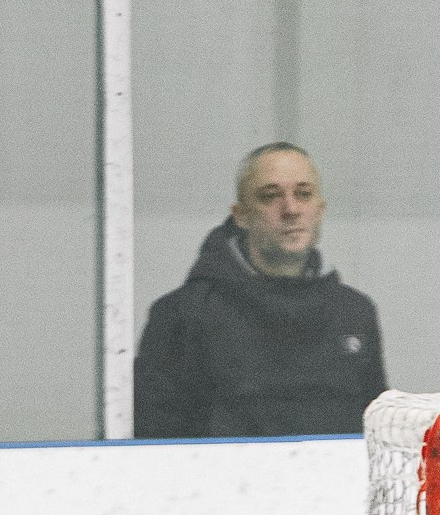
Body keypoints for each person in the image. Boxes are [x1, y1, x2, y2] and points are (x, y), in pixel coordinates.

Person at [135, 142, 387, 437]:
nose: (291, 209)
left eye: (303, 194)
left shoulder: (354, 313)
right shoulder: (183, 315)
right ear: (240, 215)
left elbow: (376, 434)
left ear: (320, 210)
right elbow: (154, 443)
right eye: (270, 196)